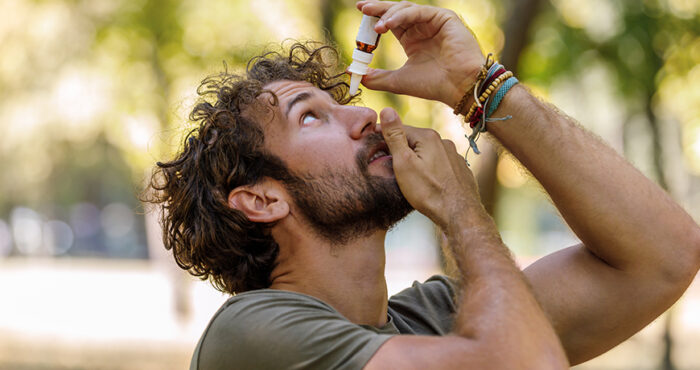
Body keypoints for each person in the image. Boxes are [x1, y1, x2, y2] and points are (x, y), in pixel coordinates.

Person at [144, 1, 700, 369]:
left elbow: (665, 254)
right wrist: (463, 211)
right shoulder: (254, 335)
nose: (363, 118)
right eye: (310, 116)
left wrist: (480, 88)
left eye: (342, 104)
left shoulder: (437, 319)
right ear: (262, 199)